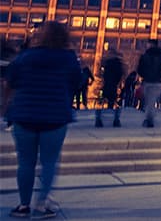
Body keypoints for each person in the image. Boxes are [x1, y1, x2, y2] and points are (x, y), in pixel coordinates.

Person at [5, 21, 82, 218]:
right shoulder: (68, 58)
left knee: (25, 162)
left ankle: (23, 206)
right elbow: (77, 82)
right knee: (49, 162)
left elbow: (11, 81)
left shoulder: (25, 57)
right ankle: (41, 204)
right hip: (54, 116)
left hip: (24, 115)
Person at [137, 38, 161, 128]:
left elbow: (140, 68)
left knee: (149, 101)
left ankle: (149, 119)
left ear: (150, 44)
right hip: (158, 81)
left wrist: (143, 75)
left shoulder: (145, 55)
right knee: (152, 100)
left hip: (147, 81)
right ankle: (149, 119)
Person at [95, 51, 126, 127]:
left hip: (107, 83)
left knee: (103, 100)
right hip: (114, 84)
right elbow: (120, 74)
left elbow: (102, 73)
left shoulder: (107, 63)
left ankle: (99, 119)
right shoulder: (118, 64)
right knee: (113, 101)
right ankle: (115, 119)